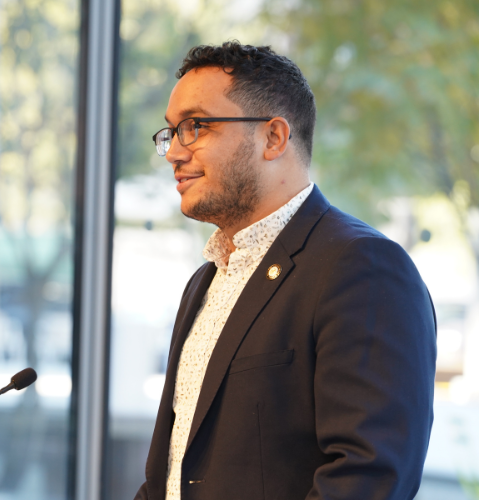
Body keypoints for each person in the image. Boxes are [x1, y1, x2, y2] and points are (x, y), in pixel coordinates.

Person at [134, 42, 436, 500]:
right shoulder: (206, 279)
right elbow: (172, 475)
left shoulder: (361, 267)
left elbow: (368, 476)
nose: (174, 152)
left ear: (273, 137)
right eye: (171, 132)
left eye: (195, 127)